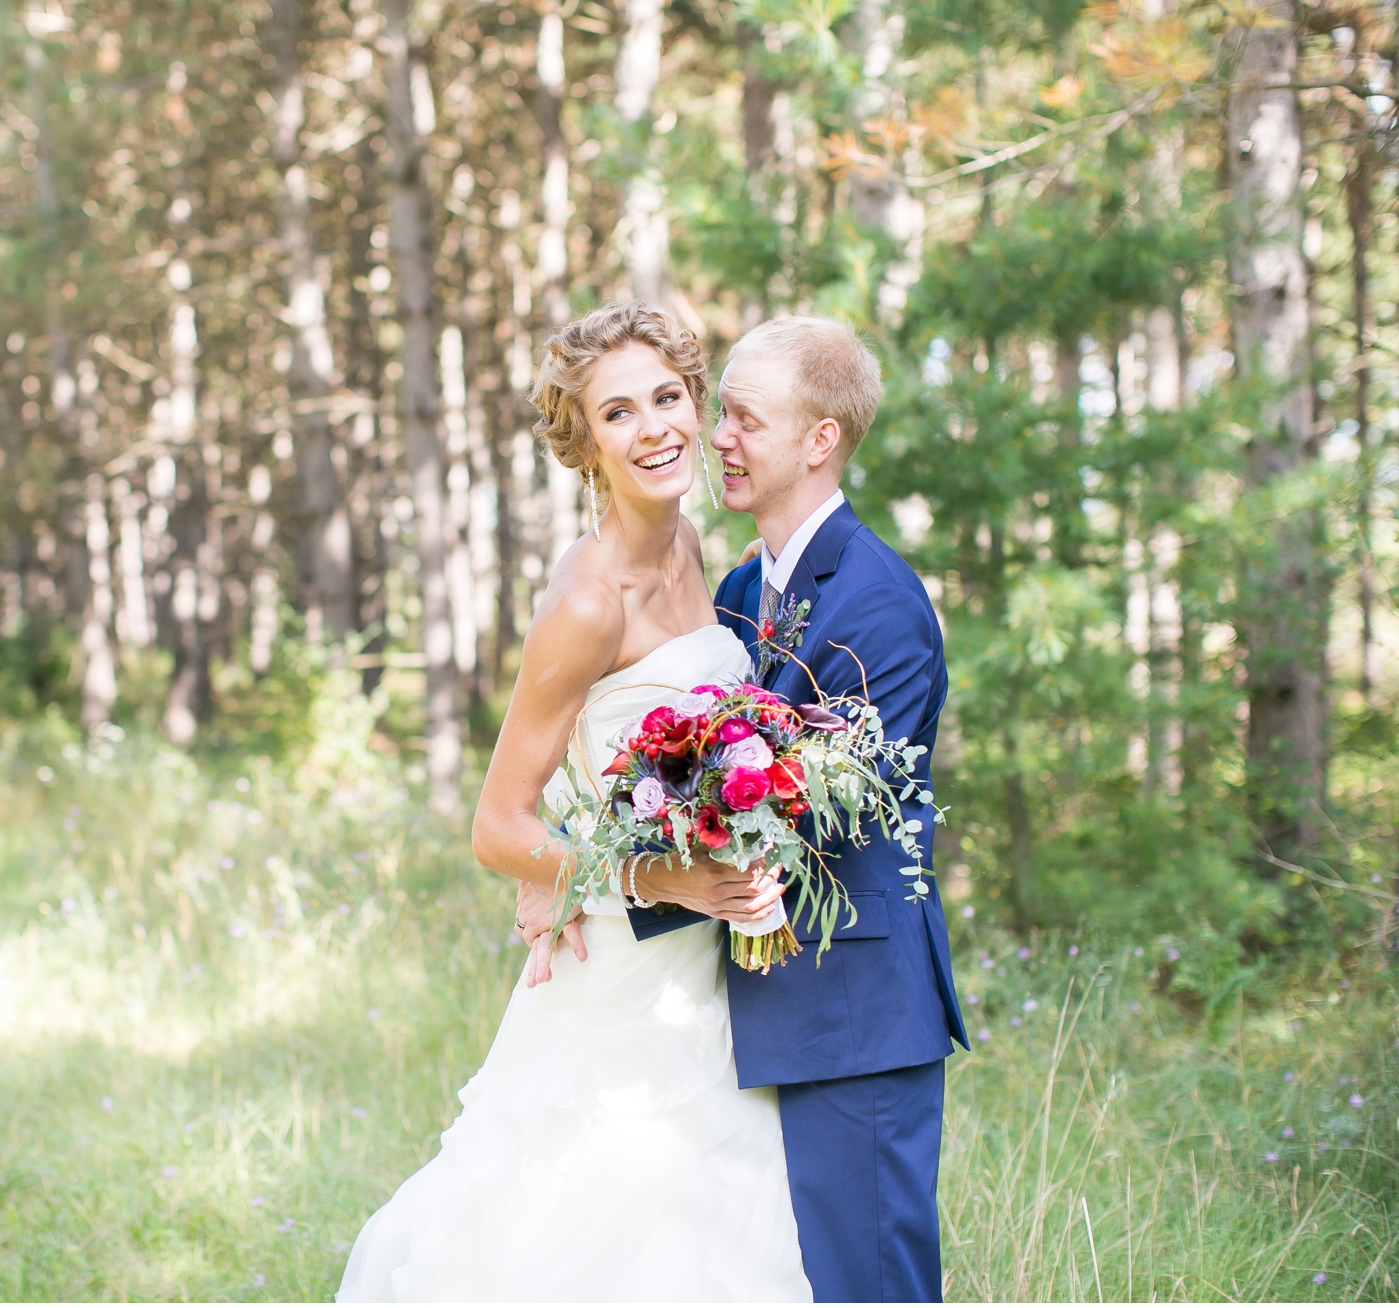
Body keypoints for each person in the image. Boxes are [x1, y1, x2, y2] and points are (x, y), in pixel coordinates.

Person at [337, 301, 811, 1302]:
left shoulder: (704, 561)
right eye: (618, 413)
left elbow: (597, 766)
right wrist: (665, 876)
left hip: (710, 977)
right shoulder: (589, 601)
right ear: (584, 442)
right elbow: (495, 825)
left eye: (668, 398)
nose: (654, 429)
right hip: (623, 989)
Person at [631, 315, 969, 1301]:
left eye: (742, 418)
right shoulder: (737, 586)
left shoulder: (879, 606)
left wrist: (625, 877)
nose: (716, 437)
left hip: (849, 1021)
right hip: (740, 1007)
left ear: (819, 439)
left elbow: (800, 818)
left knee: (863, 1284)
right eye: (719, 413)